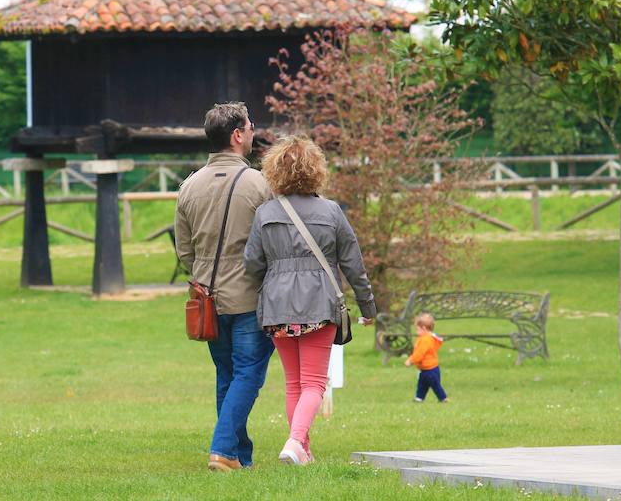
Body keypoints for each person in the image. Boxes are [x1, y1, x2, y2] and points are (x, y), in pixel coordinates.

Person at [243, 136, 376, 466]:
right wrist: (368, 305)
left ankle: (304, 449)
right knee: (315, 382)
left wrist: (276, 279)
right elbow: (353, 263)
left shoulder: (265, 213)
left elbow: (252, 264)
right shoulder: (331, 211)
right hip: (319, 305)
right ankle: (293, 442)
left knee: (294, 383)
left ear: (274, 171)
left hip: (276, 308)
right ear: (316, 169)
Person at [174, 102, 273, 472]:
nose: (252, 132)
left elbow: (185, 250)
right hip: (248, 297)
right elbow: (271, 244)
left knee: (227, 375)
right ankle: (221, 449)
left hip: (205, 298)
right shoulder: (260, 184)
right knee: (249, 373)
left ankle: (237, 455)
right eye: (250, 127)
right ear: (236, 135)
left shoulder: (189, 186)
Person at [404, 312, 448, 403]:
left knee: (435, 385)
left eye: (417, 329)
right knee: (422, 384)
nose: (416, 332)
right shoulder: (427, 338)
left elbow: (419, 354)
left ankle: (443, 398)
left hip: (430, 369)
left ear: (423, 328)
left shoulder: (425, 340)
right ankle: (419, 398)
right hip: (424, 368)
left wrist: (411, 360)